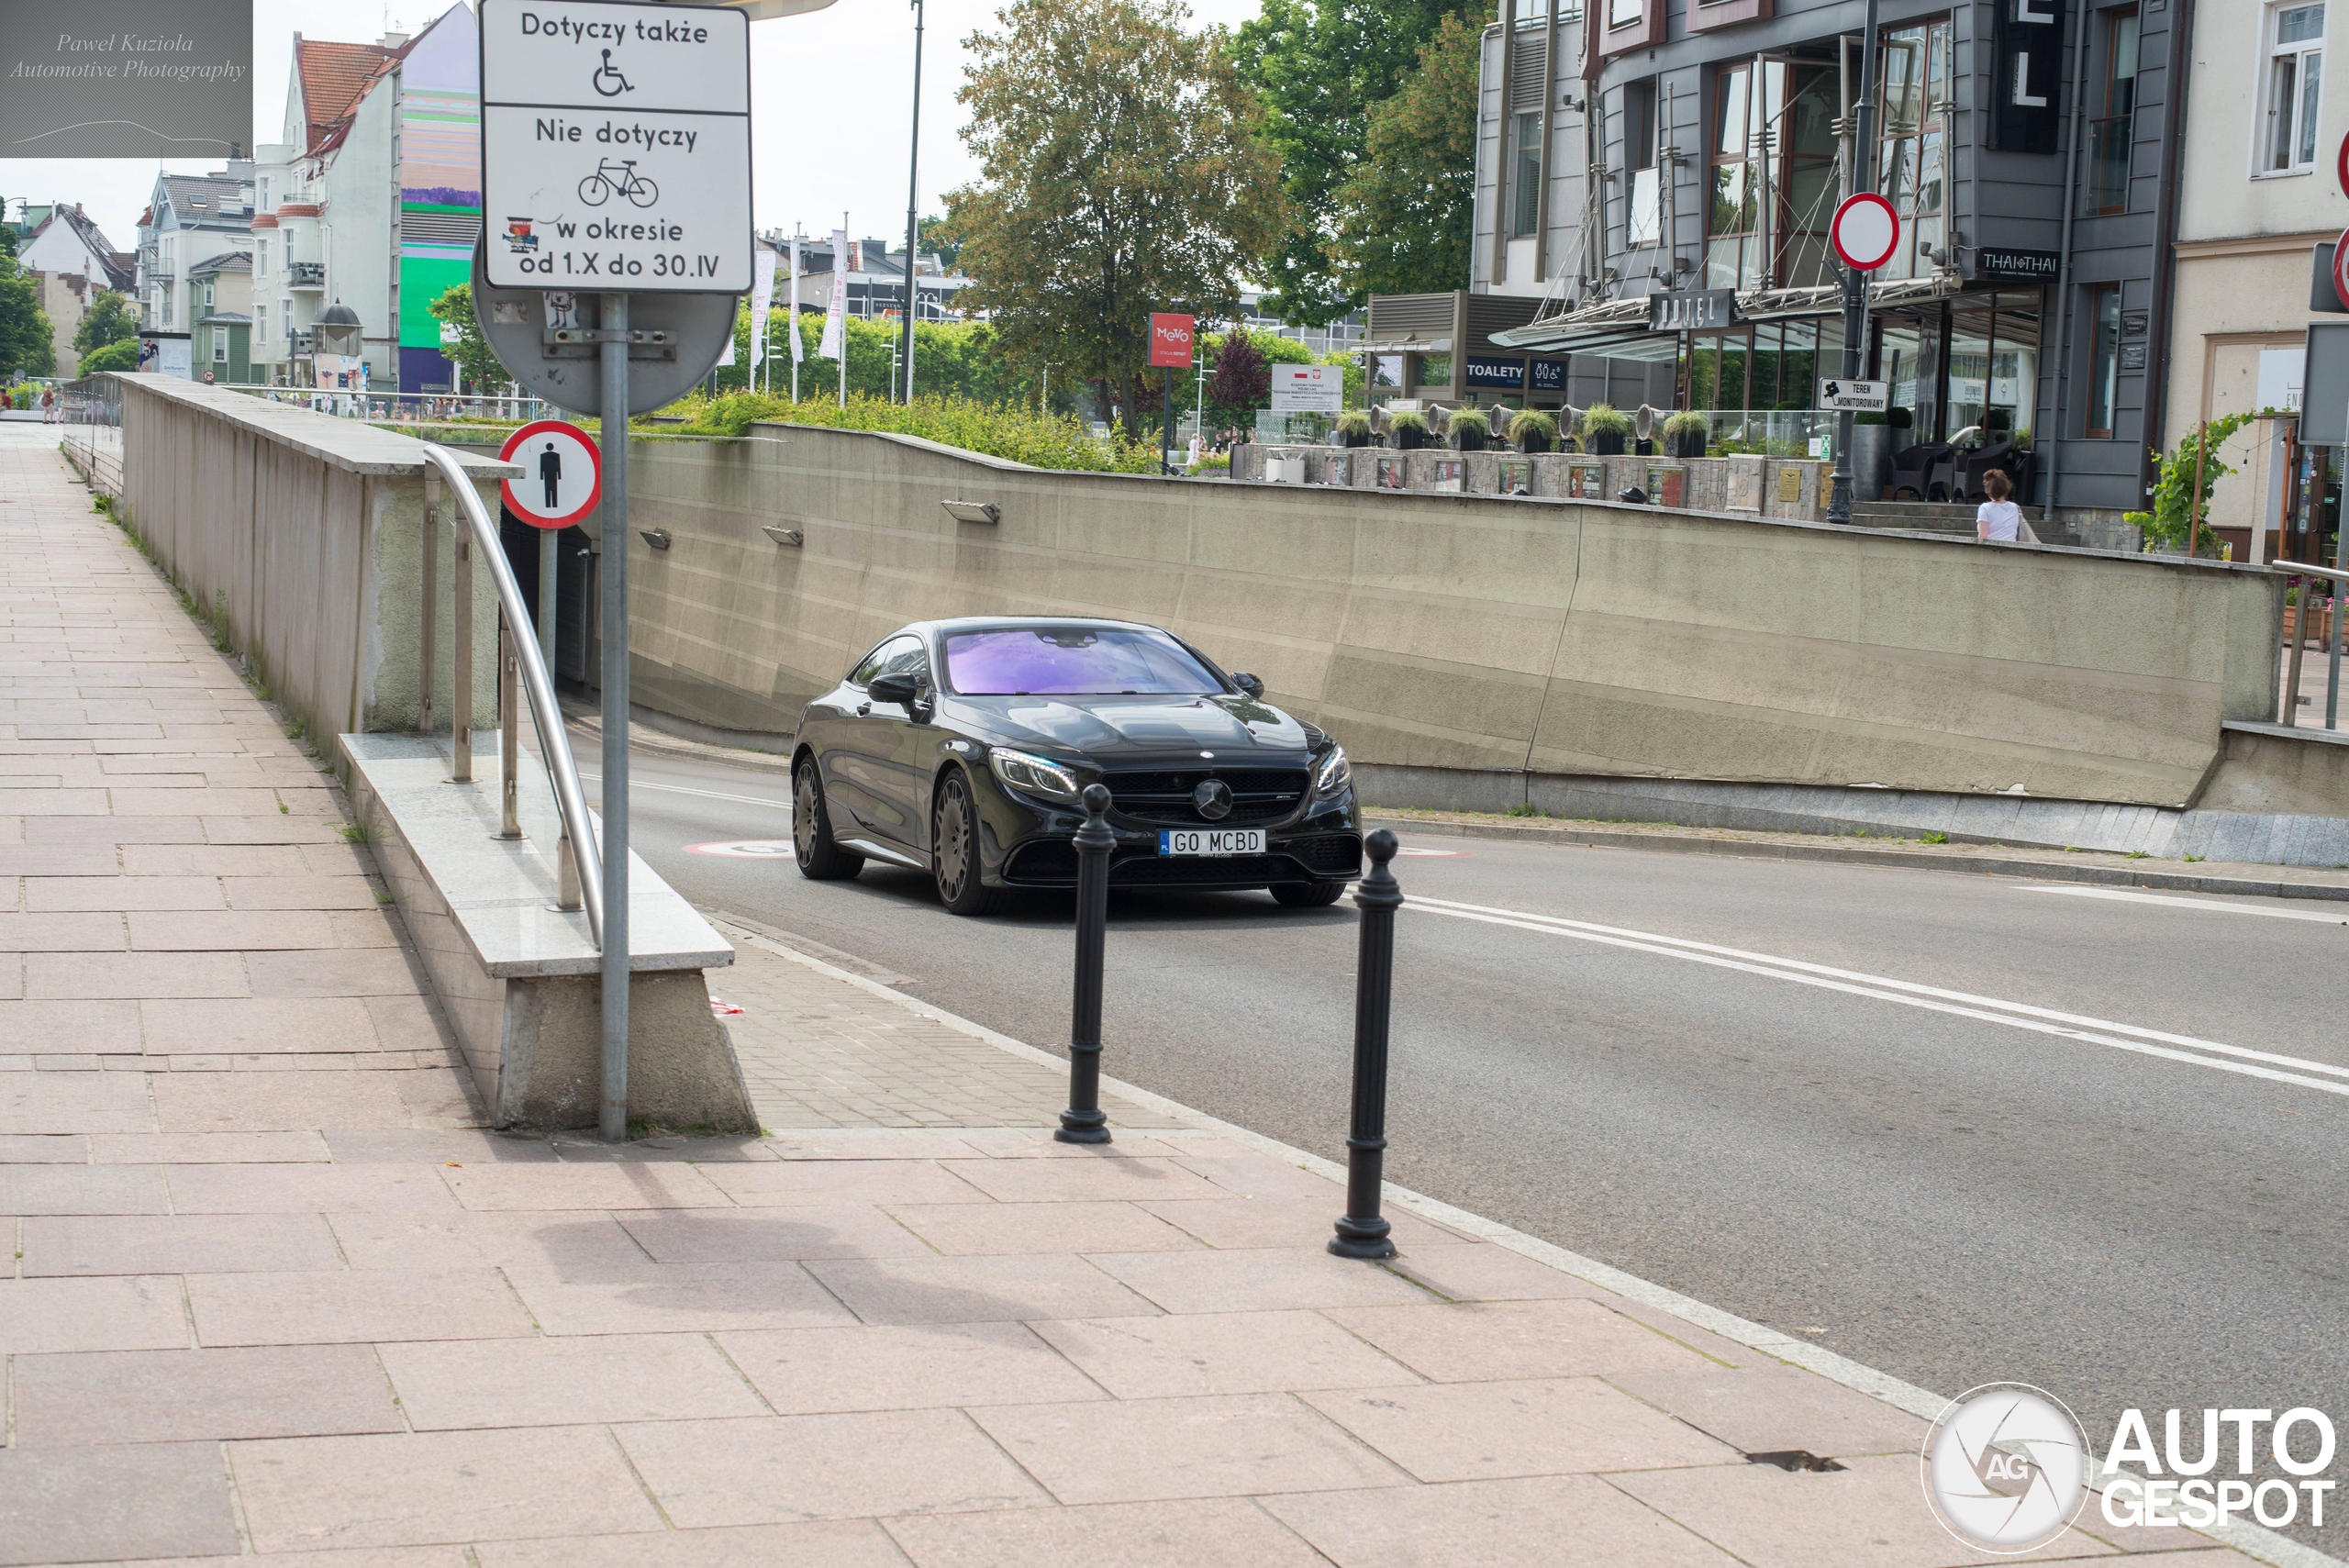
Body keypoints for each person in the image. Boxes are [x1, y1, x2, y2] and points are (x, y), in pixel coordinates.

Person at [1976, 469, 2021, 542]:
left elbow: (1983, 536)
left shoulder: (1985, 508)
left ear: (1988, 490)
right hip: (2012, 548)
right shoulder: (2015, 507)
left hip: (1992, 549)